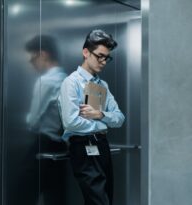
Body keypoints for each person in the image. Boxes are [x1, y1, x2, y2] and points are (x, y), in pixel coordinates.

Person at [59, 29, 125, 205]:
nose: (103, 62)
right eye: (100, 56)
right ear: (86, 52)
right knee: (99, 202)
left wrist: (99, 114)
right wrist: (102, 124)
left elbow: (119, 118)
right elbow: (71, 122)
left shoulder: (103, 85)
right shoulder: (71, 83)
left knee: (106, 198)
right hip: (82, 146)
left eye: (107, 58)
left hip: (102, 145)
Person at [25, 35, 68, 204]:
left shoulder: (46, 81)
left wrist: (26, 118)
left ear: (43, 54)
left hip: (43, 143)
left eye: (32, 57)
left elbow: (33, 121)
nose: (31, 62)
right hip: (61, 146)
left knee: (21, 192)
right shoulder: (67, 79)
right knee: (56, 196)